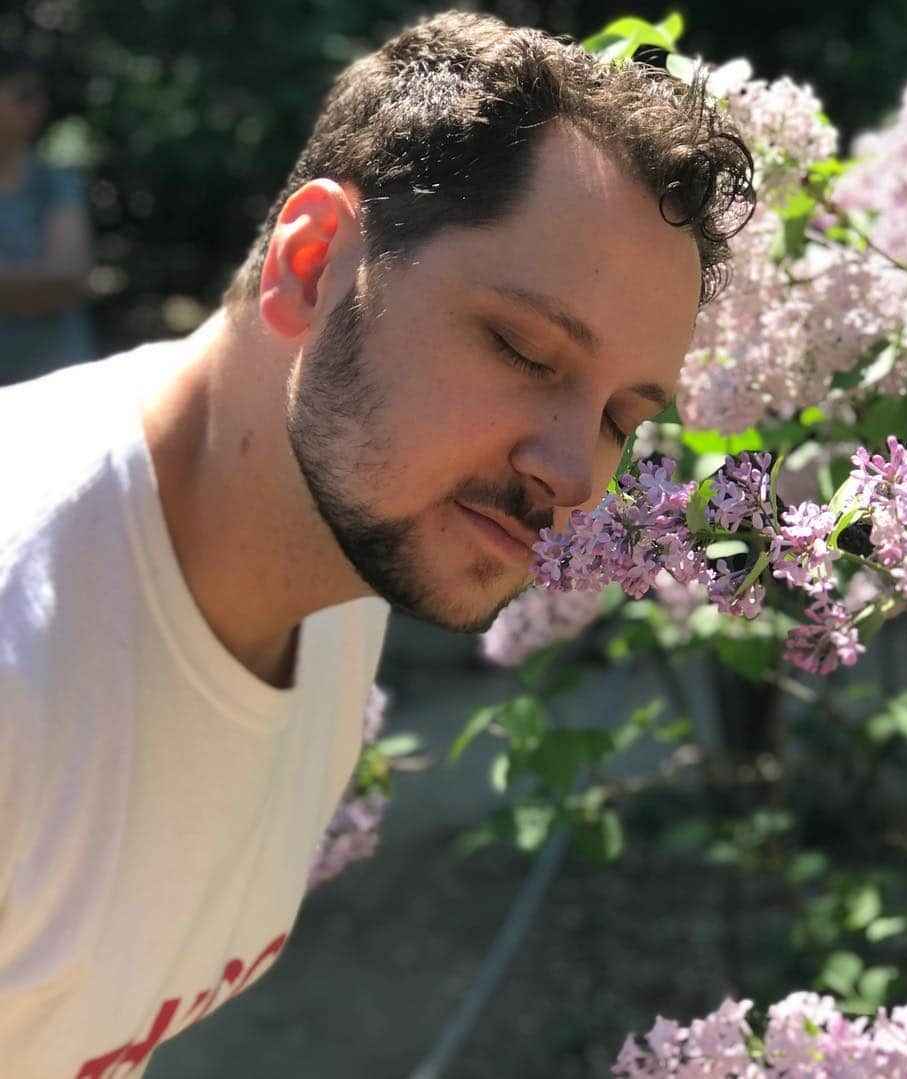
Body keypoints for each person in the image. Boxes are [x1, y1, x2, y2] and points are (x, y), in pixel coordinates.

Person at [0, 11, 753, 1077]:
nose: (576, 472)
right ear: (311, 264)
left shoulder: (351, 559)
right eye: (522, 348)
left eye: (623, 419)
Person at [0, 47, 94, 386]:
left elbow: (68, 277)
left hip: (52, 390)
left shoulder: (55, 182)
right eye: (23, 95)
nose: (38, 107)